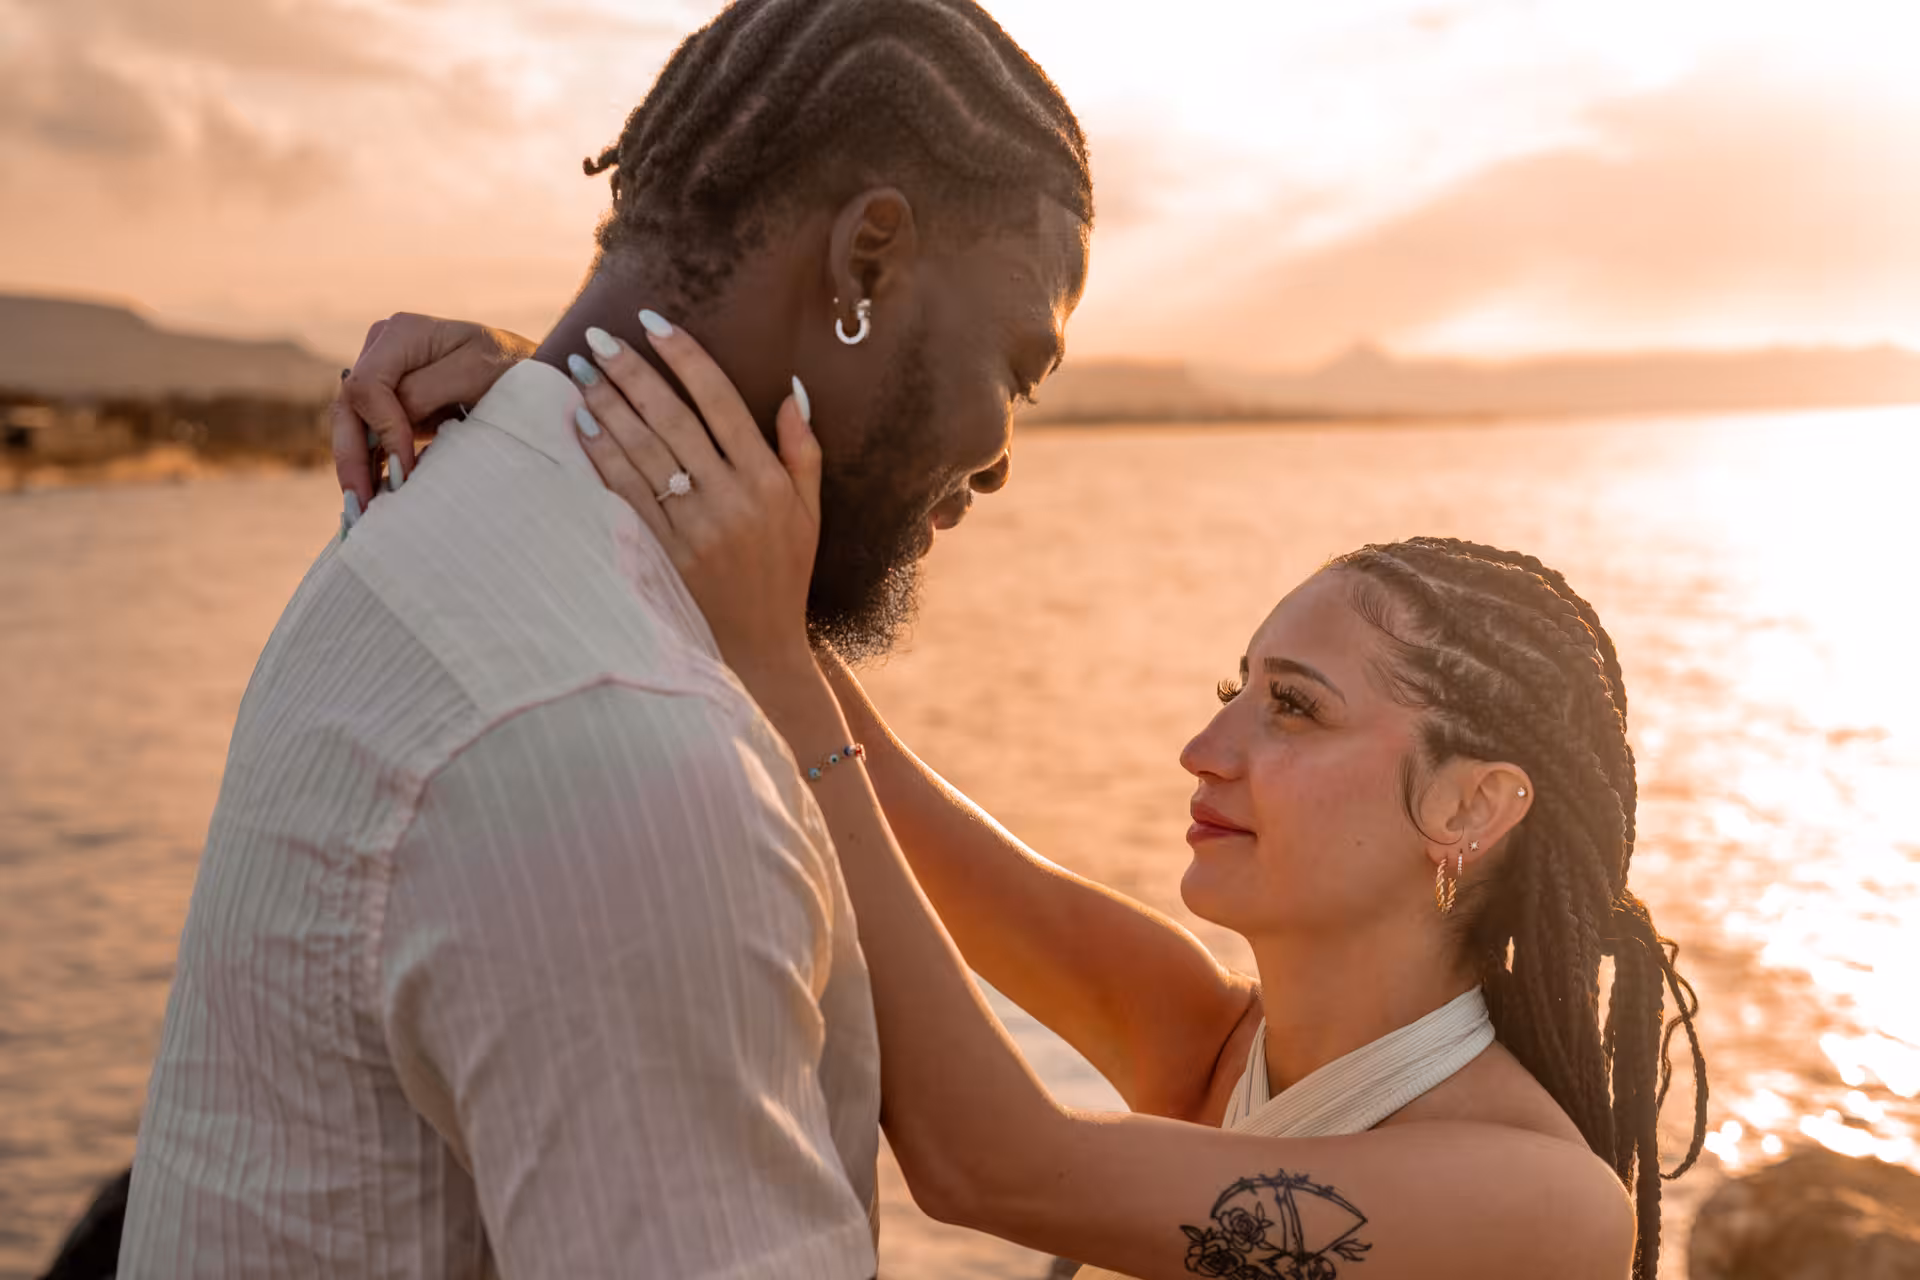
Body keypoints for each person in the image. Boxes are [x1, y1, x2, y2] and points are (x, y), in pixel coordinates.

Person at [326, 322, 1710, 1279]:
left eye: (1292, 707)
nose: (1205, 747)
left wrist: (769, 658)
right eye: (1232, 690)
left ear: (1473, 805)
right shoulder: (1207, 1045)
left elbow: (992, 1162)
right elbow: (879, 789)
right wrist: (561, 405)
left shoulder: (1541, 1205)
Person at [115, 2, 1092, 1276]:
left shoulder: (454, 517)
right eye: (1016, 367)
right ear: (866, 264)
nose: (1004, 454)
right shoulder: (625, 746)